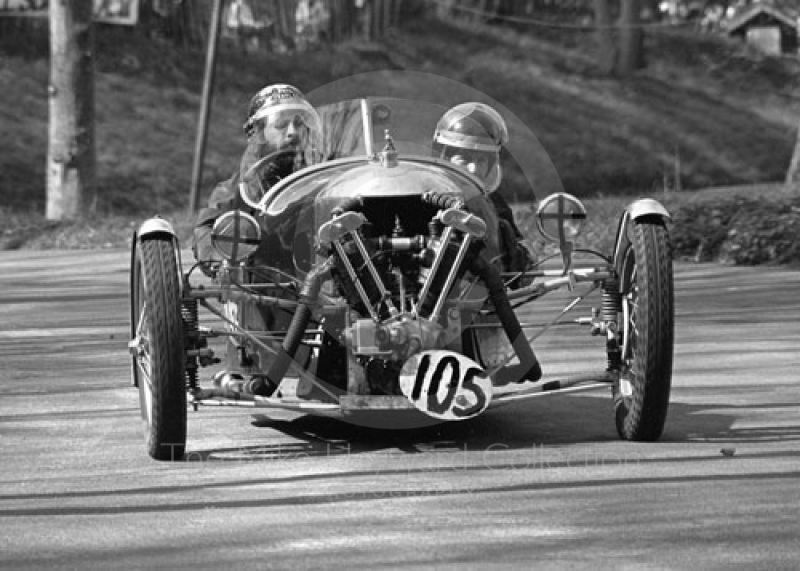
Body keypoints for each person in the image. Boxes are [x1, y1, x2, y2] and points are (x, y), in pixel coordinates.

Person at [192, 83, 323, 268]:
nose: (293, 132)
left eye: (299, 123)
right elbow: (206, 228)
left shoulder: (325, 169)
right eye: (281, 125)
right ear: (260, 133)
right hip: (266, 282)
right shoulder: (240, 185)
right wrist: (219, 257)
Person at [431, 102, 535, 275]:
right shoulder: (423, 196)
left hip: (485, 295)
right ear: (444, 158)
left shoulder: (495, 203)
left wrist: (516, 255)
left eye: (481, 160)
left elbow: (522, 273)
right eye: (463, 160)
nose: (473, 169)